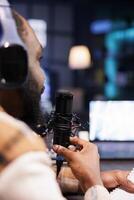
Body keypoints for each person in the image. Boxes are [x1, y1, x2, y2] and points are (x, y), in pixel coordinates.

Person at [0, 2, 133, 199]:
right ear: (11, 68)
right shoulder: (19, 156)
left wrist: (94, 177)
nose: (43, 77)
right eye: (38, 59)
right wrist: (93, 184)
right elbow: (26, 176)